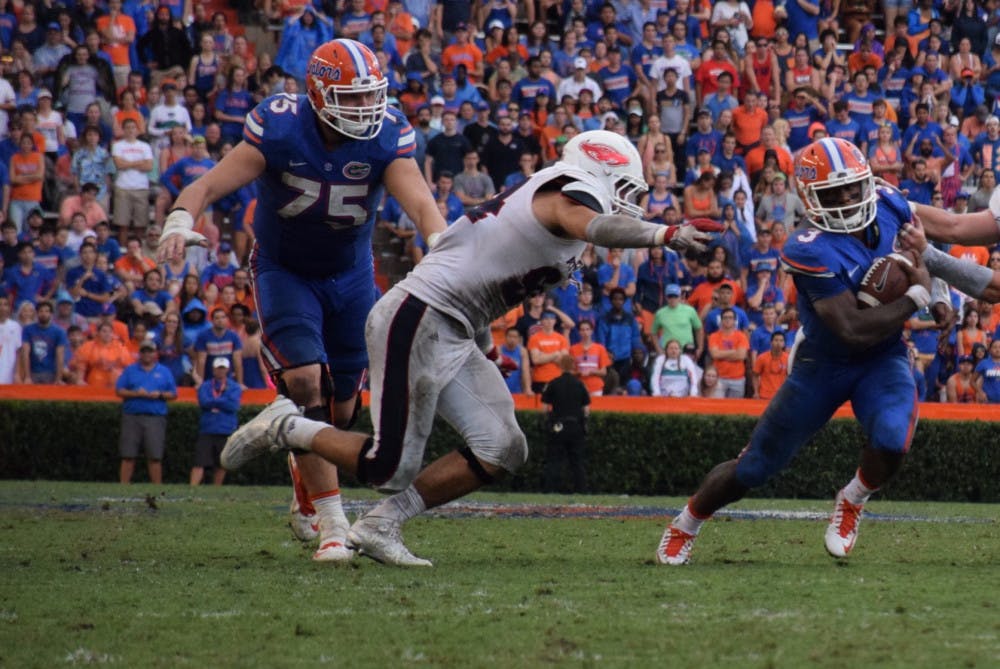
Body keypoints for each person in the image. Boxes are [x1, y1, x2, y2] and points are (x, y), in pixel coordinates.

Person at [220, 129, 715, 566]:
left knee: (503, 445)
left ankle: (379, 526)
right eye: (623, 189)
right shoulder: (565, 192)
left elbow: (478, 270)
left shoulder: (546, 198)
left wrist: (483, 339)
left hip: (453, 325)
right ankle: (288, 425)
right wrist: (663, 234)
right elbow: (599, 227)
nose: (627, 203)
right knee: (386, 466)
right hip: (419, 316)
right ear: (594, 173)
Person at [157, 39, 447, 563]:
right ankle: (334, 527)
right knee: (305, 380)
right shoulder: (282, 126)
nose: (364, 109)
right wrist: (180, 219)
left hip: (352, 275)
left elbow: (423, 204)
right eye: (351, 98)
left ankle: (303, 479)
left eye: (369, 97)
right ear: (318, 94)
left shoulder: (386, 135)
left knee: (343, 407)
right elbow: (206, 185)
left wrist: (443, 251)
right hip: (285, 270)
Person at [656, 137, 934, 565]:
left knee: (894, 440)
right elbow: (851, 328)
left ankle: (853, 498)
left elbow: (923, 253)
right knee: (753, 468)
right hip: (824, 364)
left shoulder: (890, 203)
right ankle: (687, 522)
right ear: (810, 197)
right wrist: (917, 298)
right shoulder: (807, 247)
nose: (846, 199)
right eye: (833, 192)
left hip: (883, 357)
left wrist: (937, 291)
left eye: (852, 187)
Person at [115, 339, 177, 484]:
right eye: (144, 351)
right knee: (128, 454)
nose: (147, 354)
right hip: (133, 415)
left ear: (155, 353)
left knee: (155, 456)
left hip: (155, 417)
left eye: (150, 351)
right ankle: (124, 485)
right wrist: (137, 393)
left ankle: (156, 486)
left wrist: (159, 395)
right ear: (140, 353)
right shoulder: (130, 370)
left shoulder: (164, 371)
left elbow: (173, 393)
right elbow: (119, 390)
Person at [541, 354, 591, 493]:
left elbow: (544, 408)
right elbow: (586, 410)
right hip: (576, 427)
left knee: (554, 460)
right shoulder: (580, 385)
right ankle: (581, 490)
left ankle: (550, 489)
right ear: (573, 366)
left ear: (560, 366)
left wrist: (548, 421)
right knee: (577, 462)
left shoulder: (553, 383)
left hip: (558, 426)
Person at [191, 356, 242, 485]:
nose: (221, 371)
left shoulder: (234, 387)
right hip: (207, 428)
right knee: (199, 461)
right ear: (213, 370)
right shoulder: (206, 385)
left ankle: (217, 487)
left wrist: (214, 402)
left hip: (225, 428)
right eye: (218, 369)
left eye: (223, 369)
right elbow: (203, 402)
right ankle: (193, 487)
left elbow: (233, 405)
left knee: (221, 463)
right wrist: (223, 400)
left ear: (227, 370)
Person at [17, 300, 67, 383]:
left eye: (47, 311)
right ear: (36, 313)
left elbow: (60, 356)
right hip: (33, 372)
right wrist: (27, 377)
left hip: (51, 372)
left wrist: (58, 378)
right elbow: (25, 353)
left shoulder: (59, 332)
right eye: (41, 311)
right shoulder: (28, 330)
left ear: (51, 314)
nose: (44, 314)